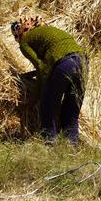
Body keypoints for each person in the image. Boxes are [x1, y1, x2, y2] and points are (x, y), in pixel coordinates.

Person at [12, 15, 87, 144]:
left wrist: (35, 98)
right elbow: (55, 61)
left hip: (63, 64)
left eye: (16, 37)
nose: (17, 40)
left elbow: (42, 68)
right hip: (82, 63)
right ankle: (72, 147)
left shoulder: (24, 43)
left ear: (19, 33)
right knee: (71, 110)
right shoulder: (50, 31)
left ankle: (50, 144)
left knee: (48, 106)